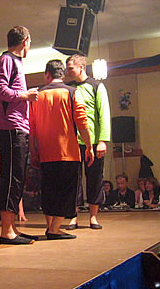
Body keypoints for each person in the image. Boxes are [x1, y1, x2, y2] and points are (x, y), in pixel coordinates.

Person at [29, 59, 94, 240]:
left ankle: (50, 226)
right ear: (63, 75)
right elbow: (82, 122)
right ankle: (55, 229)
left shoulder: (36, 95)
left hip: (44, 153)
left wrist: (33, 151)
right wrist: (89, 146)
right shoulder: (72, 92)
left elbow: (31, 127)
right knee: (66, 192)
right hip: (67, 152)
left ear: (47, 75)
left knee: (48, 192)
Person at [0, 25, 38, 244]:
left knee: (17, 177)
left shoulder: (15, 62)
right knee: (12, 177)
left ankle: (11, 227)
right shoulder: (6, 60)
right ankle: (6, 231)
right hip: (10, 127)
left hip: (17, 127)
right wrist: (25, 95)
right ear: (25, 41)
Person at [64, 54, 111, 230]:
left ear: (81, 67)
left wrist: (102, 141)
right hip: (73, 142)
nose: (68, 72)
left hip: (93, 141)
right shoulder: (68, 88)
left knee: (95, 178)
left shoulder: (97, 86)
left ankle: (93, 217)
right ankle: (73, 217)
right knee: (73, 179)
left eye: (70, 68)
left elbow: (104, 114)